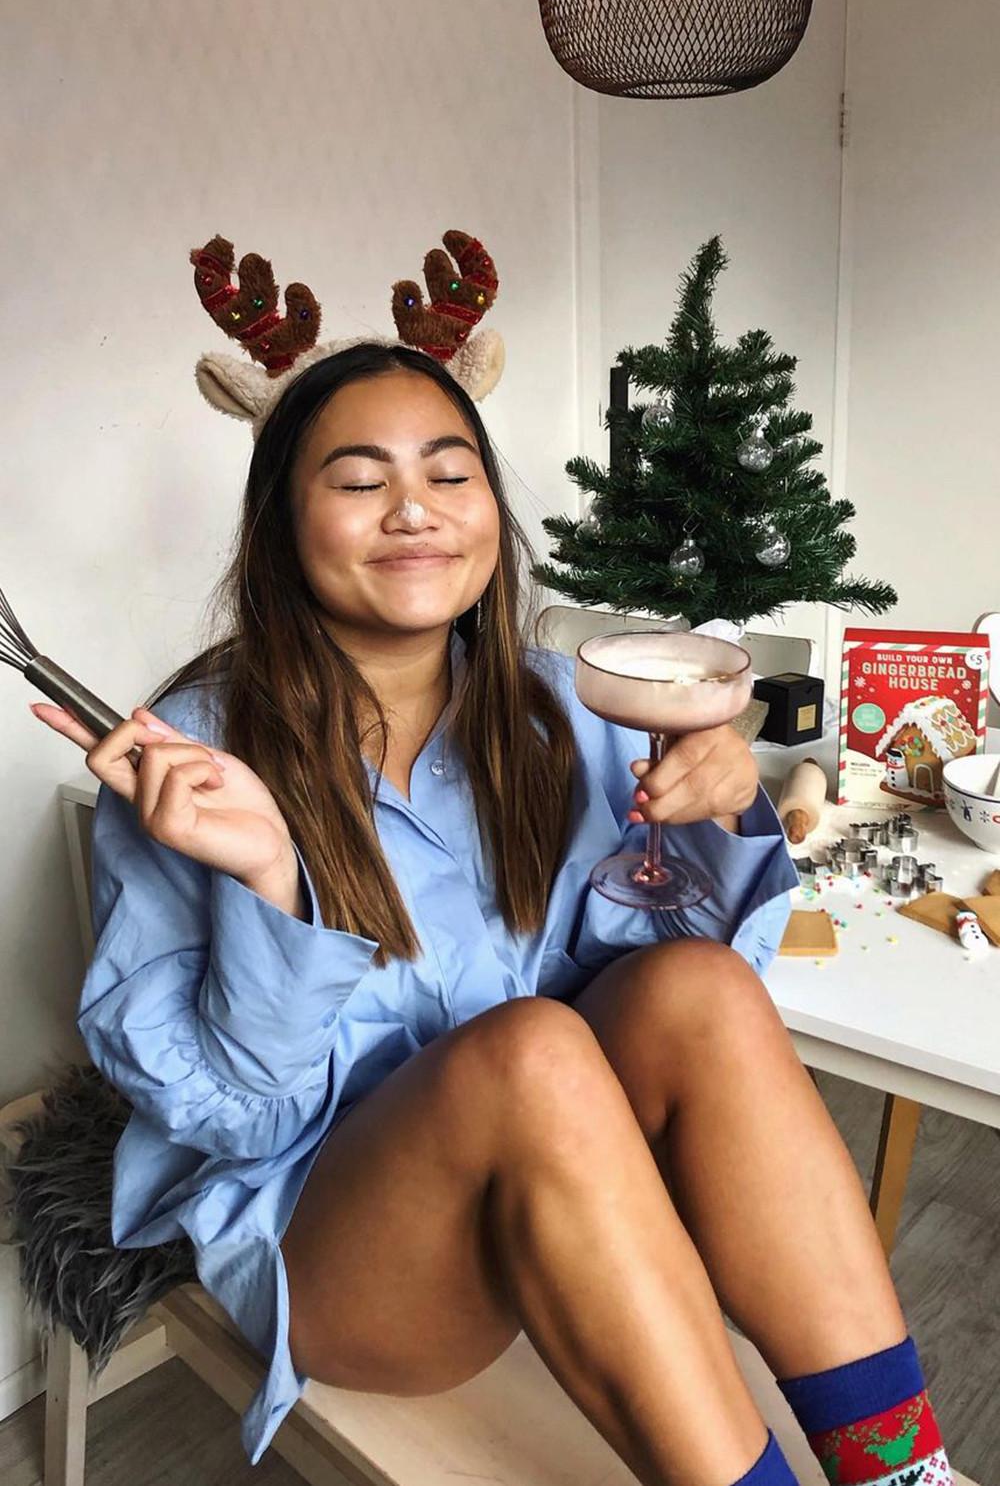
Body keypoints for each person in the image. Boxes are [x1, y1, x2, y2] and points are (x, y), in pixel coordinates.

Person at [32, 342, 954, 1486]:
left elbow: (657, 999)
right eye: (361, 480)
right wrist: (272, 882)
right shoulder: (190, 762)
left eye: (449, 475)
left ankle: (902, 1473)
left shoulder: (567, 705)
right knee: (529, 1052)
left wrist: (713, 822)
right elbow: (239, 1126)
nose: (414, 511)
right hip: (345, 1243)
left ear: (491, 513)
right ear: (280, 525)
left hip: (565, 1167)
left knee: (696, 988)